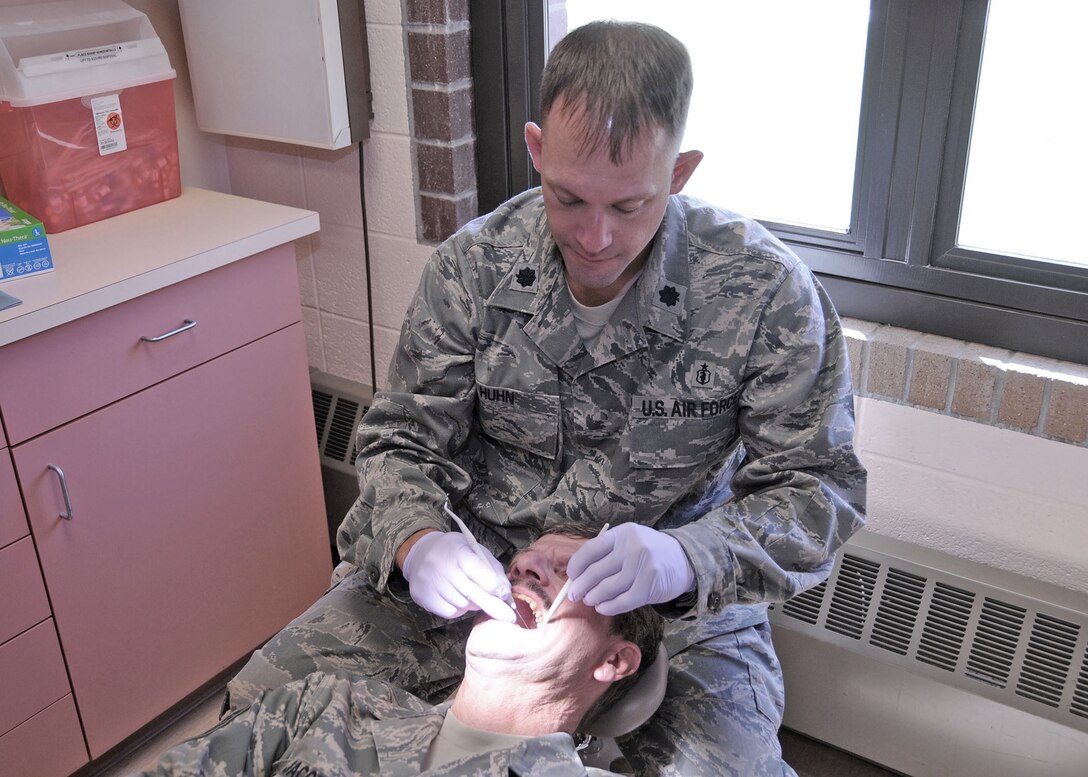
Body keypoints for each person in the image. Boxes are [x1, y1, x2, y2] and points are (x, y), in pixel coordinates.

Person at [228, 19, 866, 776]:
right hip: (485, 570)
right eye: (567, 198)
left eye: (629, 206)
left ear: (682, 170)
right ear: (536, 150)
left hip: (680, 606)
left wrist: (684, 556)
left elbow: (818, 491)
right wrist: (417, 541)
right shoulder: (474, 268)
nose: (594, 236)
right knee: (266, 702)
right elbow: (400, 441)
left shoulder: (762, 291)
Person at [139, 526, 665, 777]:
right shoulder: (326, 706)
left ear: (614, 661)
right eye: (527, 560)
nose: (527, 567)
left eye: (572, 572)